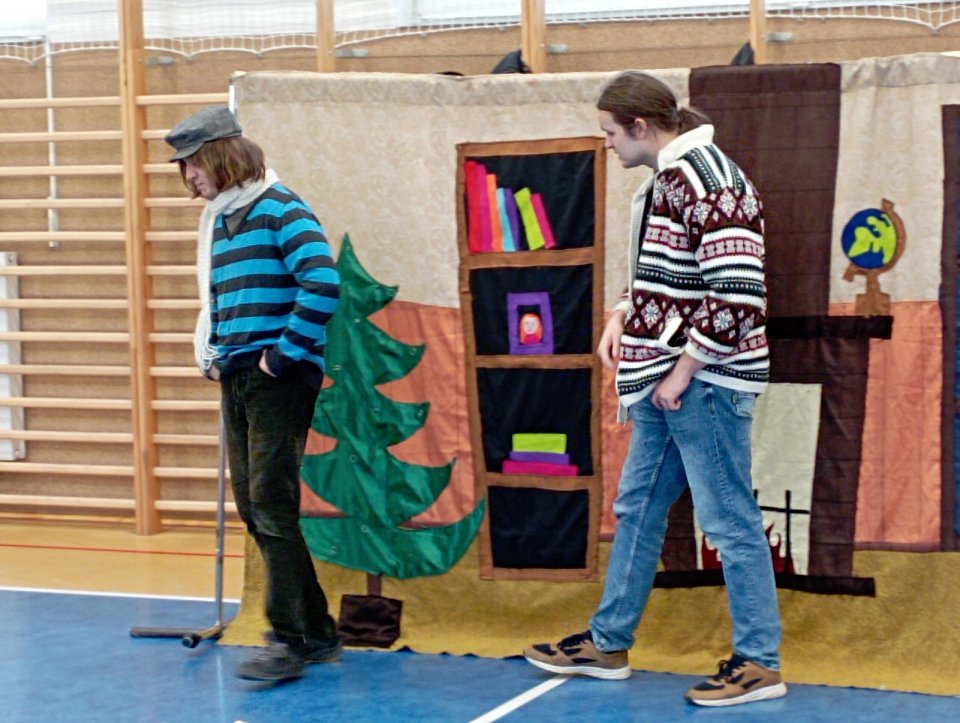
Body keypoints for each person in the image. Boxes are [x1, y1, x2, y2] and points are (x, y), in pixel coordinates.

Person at [523, 71, 786, 707]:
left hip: (702, 385)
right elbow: (663, 271)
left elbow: (738, 294)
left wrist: (683, 370)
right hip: (667, 383)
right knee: (638, 508)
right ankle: (608, 643)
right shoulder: (669, 178)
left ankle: (760, 662)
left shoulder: (711, 181)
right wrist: (622, 314)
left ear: (640, 126)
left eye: (611, 132)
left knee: (729, 521)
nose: (607, 143)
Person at [165, 105, 342, 682]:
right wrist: (216, 354)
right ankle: (317, 633)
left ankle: (287, 640)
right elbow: (221, 300)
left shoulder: (280, 207)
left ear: (223, 156)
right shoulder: (221, 221)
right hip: (240, 375)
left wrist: (280, 358)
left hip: (277, 379)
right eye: (184, 167)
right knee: (255, 505)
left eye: (193, 164)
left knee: (270, 503)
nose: (189, 176)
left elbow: (323, 283)